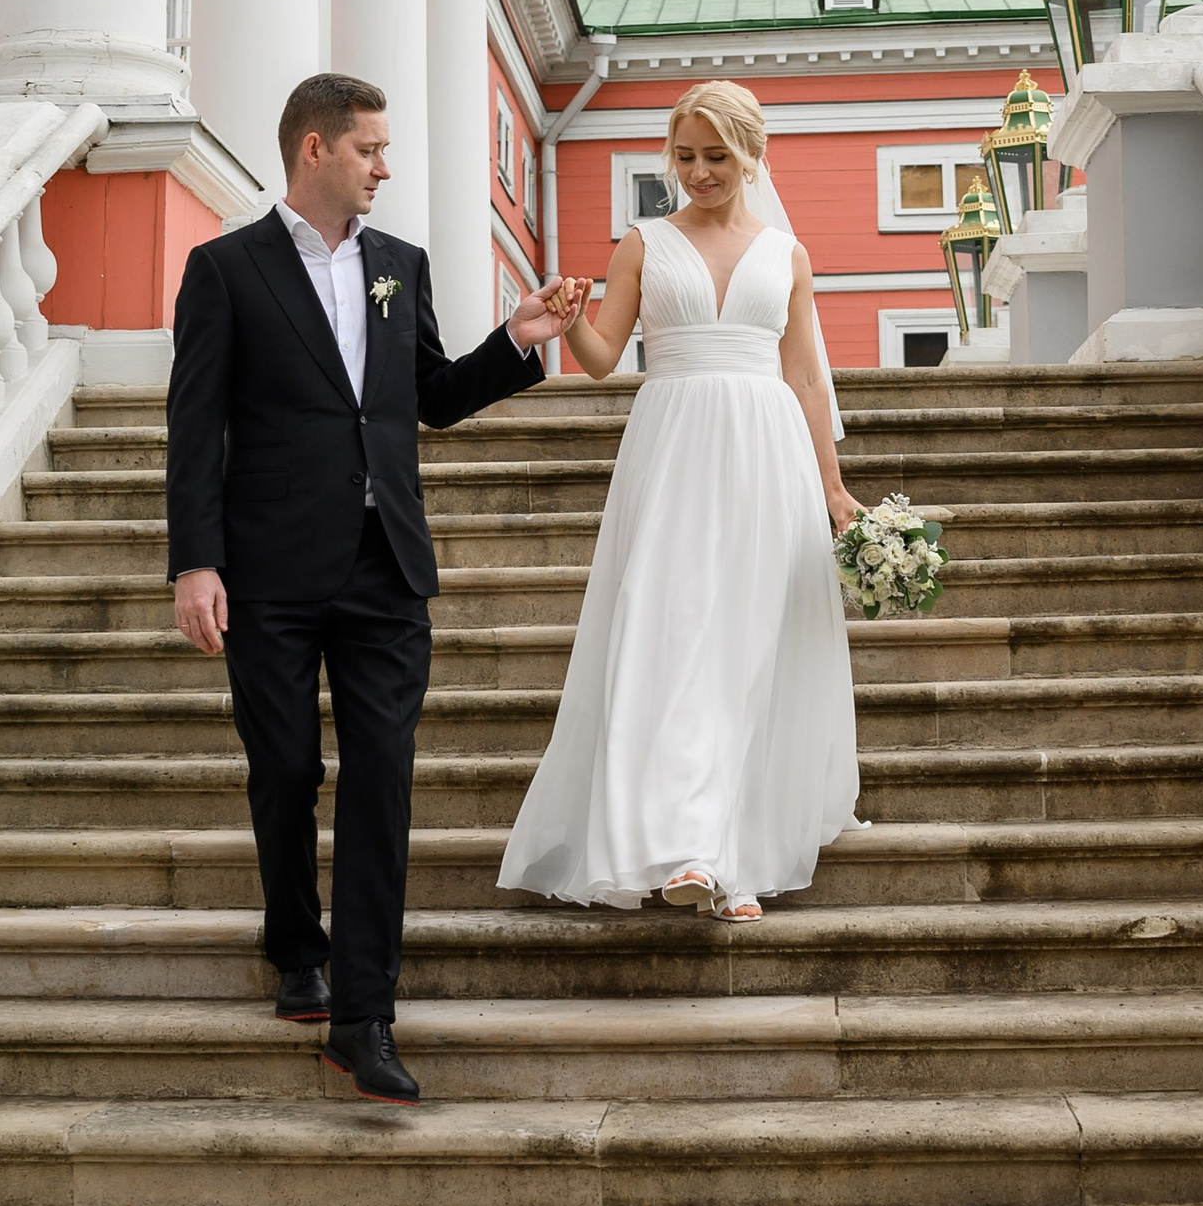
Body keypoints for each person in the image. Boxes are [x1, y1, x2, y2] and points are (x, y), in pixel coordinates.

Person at [166, 72, 574, 1101]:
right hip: (268, 567)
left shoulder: (402, 265)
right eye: (370, 149)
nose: (384, 167)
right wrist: (195, 562)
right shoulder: (225, 270)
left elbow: (430, 397)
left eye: (386, 150)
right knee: (285, 769)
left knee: (382, 777)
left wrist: (515, 341)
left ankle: (363, 1015)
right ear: (315, 148)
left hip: (385, 563)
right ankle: (293, 944)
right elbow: (194, 426)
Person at [499, 78, 861, 922]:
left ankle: (733, 855)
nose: (698, 172)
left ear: (751, 156)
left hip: (767, 455)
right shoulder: (643, 244)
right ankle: (683, 846)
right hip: (673, 453)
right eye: (686, 156)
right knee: (672, 634)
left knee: (748, 646)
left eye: (716, 157)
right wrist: (568, 317)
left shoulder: (788, 255)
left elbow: (806, 376)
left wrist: (833, 487)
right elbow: (602, 359)